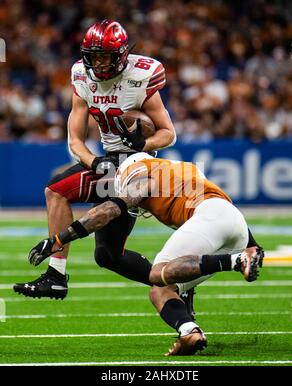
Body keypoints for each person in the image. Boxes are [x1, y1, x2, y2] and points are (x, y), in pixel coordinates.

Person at [13, 19, 196, 318]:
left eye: (105, 56)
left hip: (138, 165)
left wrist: (141, 144)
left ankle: (56, 276)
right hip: (108, 161)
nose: (97, 62)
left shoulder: (142, 75)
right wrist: (94, 161)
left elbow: (168, 133)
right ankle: (178, 282)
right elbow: (75, 138)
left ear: (121, 54)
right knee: (109, 256)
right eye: (93, 55)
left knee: (56, 190)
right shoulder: (81, 75)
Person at [16, 152, 264, 356]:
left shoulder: (140, 174)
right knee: (161, 289)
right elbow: (225, 212)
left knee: (157, 273)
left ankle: (234, 261)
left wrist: (58, 239)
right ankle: (189, 331)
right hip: (234, 224)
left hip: (211, 218)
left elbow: (109, 211)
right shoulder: (183, 169)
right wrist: (252, 245)